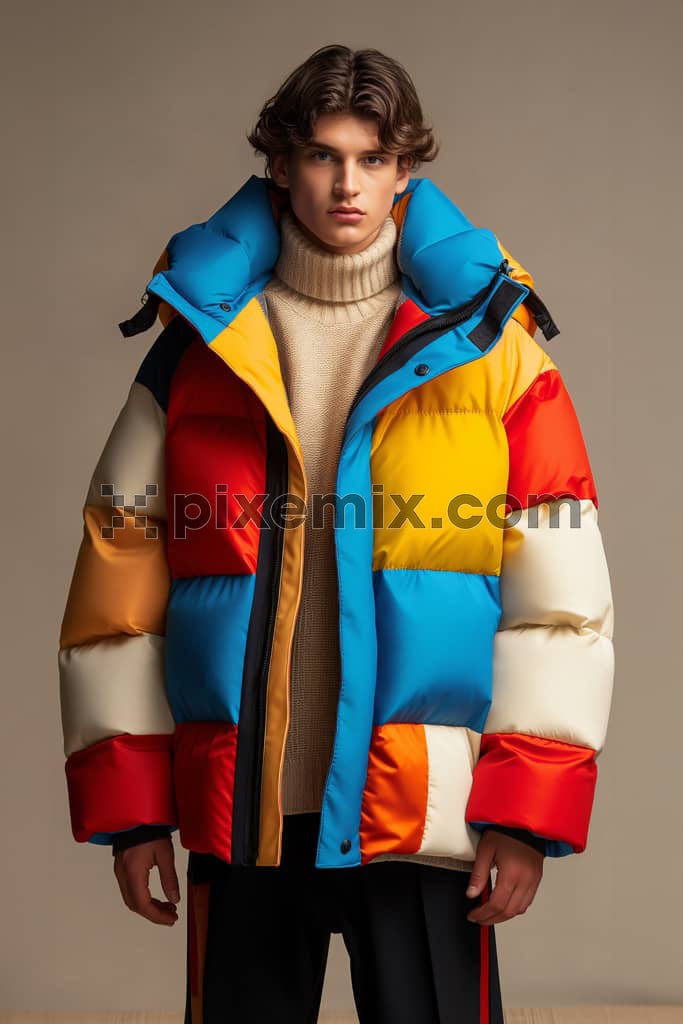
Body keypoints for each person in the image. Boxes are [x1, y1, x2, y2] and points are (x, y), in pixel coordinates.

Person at [57, 44, 615, 1024]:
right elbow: (117, 586)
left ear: (405, 171)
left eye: (372, 158)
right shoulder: (200, 344)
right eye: (321, 155)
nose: (346, 184)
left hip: (421, 812)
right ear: (279, 164)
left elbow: (559, 605)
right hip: (247, 811)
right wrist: (134, 812)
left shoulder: (492, 348)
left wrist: (525, 813)